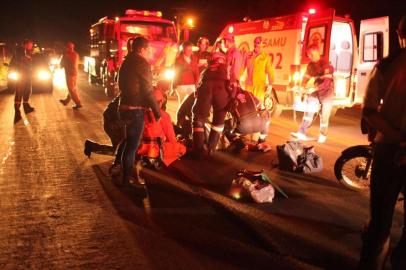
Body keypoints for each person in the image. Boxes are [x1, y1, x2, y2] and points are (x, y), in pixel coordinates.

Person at [357, 15, 406, 270]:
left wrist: (397, 137)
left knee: (380, 221)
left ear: (400, 34)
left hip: (388, 150)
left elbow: (369, 110)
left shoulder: (387, 65)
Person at [117, 36, 161, 187]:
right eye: (149, 50)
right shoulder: (142, 63)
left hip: (123, 107)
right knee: (132, 146)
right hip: (135, 110)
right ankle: (128, 178)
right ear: (142, 49)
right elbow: (148, 91)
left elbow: (120, 83)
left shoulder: (127, 60)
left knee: (128, 141)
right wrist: (157, 112)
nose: (151, 52)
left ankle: (122, 172)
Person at [290, 45, 334, 143]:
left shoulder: (325, 64)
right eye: (308, 54)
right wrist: (301, 87)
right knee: (309, 109)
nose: (309, 56)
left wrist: (314, 88)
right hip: (316, 91)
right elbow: (305, 78)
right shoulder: (311, 65)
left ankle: (323, 135)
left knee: (324, 114)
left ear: (317, 53)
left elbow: (326, 81)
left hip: (327, 92)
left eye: (311, 54)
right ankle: (302, 132)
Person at [192, 52, 230, 157]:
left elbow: (198, 85)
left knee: (199, 119)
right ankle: (211, 148)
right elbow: (233, 83)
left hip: (205, 91)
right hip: (222, 94)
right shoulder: (227, 68)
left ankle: (199, 150)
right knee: (218, 120)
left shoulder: (205, 70)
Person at [226, 87, 271, 153]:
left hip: (243, 127)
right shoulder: (248, 93)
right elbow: (258, 103)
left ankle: (238, 142)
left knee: (225, 128)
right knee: (266, 113)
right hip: (259, 124)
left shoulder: (230, 97)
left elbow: (227, 110)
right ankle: (262, 141)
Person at [244, 36, 275, 102]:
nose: (255, 44)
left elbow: (270, 72)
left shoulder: (266, 58)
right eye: (255, 42)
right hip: (249, 86)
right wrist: (236, 79)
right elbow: (241, 68)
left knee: (259, 106)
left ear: (262, 44)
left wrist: (270, 84)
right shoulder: (248, 55)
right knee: (249, 105)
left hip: (259, 87)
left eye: (258, 43)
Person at [11, 39, 35, 123]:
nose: (31, 47)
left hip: (27, 74)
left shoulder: (28, 51)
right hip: (21, 74)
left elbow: (30, 61)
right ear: (25, 44)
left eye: (31, 45)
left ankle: (26, 106)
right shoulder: (19, 50)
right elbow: (19, 60)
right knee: (19, 92)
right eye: (30, 45)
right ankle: (17, 112)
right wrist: (27, 58)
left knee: (28, 90)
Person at [174, 41, 199, 108]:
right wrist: (174, 86)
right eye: (188, 50)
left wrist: (196, 84)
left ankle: (190, 118)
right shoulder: (178, 60)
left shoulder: (194, 59)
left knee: (191, 105)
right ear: (183, 50)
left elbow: (196, 72)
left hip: (191, 84)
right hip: (181, 85)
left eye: (190, 50)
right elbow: (176, 72)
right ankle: (181, 118)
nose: (190, 51)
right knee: (182, 104)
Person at [59, 42, 81, 109]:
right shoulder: (76, 54)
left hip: (69, 74)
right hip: (75, 73)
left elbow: (61, 64)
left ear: (67, 48)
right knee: (72, 88)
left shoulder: (66, 55)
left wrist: (62, 56)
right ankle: (66, 101)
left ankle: (78, 103)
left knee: (71, 89)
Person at [224, 34, 243, 98]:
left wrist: (233, 84)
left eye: (224, 41)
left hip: (231, 83)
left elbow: (235, 70)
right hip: (226, 82)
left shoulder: (235, 53)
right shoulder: (228, 52)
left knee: (231, 101)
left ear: (227, 41)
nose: (224, 43)